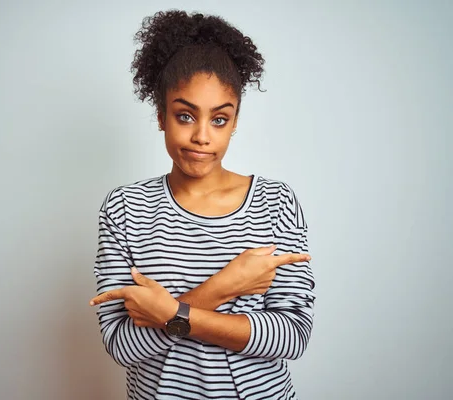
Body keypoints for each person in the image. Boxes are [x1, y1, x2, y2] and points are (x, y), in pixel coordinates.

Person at [89, 10, 315, 400]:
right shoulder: (124, 209)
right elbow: (122, 347)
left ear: (236, 120)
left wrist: (170, 313)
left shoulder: (276, 202)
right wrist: (225, 286)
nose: (201, 137)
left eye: (220, 120)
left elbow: (293, 337)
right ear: (161, 115)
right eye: (185, 115)